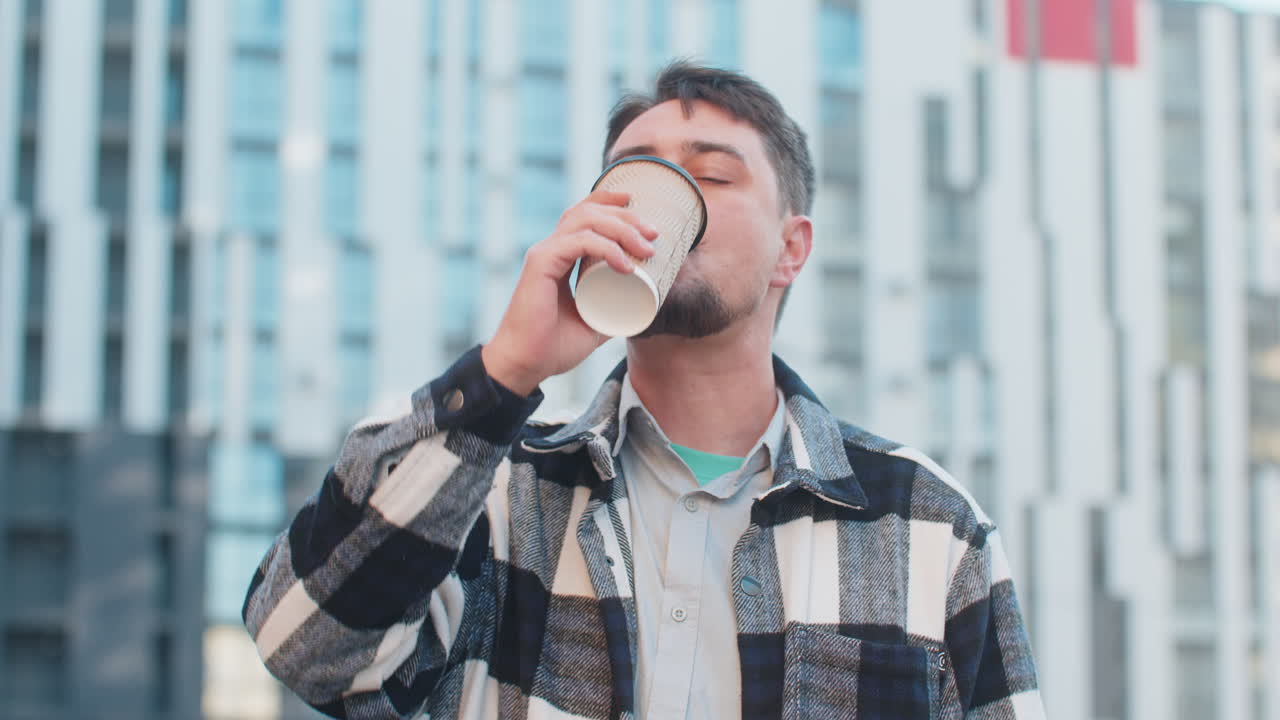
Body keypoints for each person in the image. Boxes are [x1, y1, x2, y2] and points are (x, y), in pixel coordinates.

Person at [243, 62, 1044, 720]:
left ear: (789, 250)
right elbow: (306, 647)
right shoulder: (490, 494)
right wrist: (505, 372)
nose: (667, 200)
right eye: (638, 175)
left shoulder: (930, 525)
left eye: (712, 175)